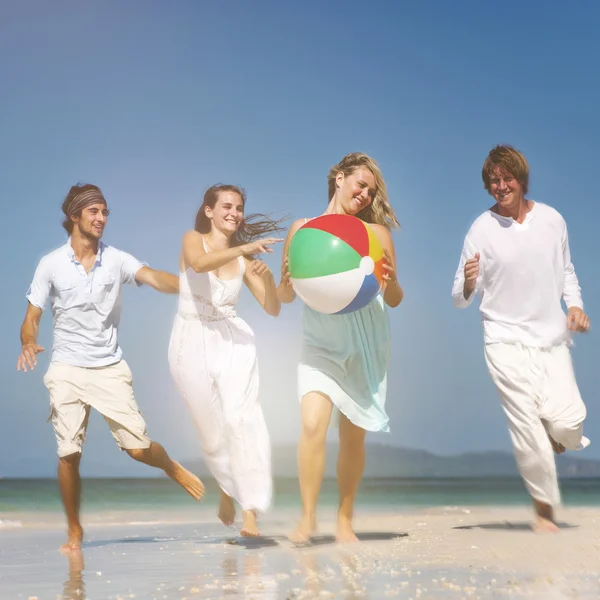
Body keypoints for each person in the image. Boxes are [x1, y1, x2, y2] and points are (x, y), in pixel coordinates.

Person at [16, 184, 205, 552]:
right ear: (74, 216)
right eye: (94, 212)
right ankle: (74, 531)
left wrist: (186, 286)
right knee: (68, 453)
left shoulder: (116, 259)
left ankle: (169, 465)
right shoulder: (50, 264)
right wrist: (27, 341)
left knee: (136, 449)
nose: (101, 218)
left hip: (108, 367)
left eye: (105, 212)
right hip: (66, 368)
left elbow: (152, 277)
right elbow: (32, 316)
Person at [452, 145, 591, 533]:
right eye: (493, 181)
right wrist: (467, 281)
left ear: (521, 179)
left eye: (506, 178)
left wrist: (575, 307)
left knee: (569, 423)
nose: (500, 186)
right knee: (525, 425)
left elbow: (566, 271)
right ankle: (544, 512)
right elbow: (459, 298)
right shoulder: (481, 229)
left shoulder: (552, 220)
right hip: (503, 338)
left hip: (551, 338)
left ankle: (555, 431)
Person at [278, 152, 404, 543]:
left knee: (352, 436)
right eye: (360, 184)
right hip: (320, 341)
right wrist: (284, 280)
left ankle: (345, 518)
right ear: (339, 178)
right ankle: (307, 517)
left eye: (371, 190)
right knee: (313, 425)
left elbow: (396, 298)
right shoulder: (303, 229)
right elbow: (285, 297)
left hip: (364, 340)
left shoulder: (377, 235)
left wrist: (391, 279)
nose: (364, 194)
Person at [168, 184, 283, 537]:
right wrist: (245, 247)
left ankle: (251, 510)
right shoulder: (193, 239)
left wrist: (270, 280)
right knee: (211, 432)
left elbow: (273, 308)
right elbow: (200, 264)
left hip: (233, 341)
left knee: (242, 420)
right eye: (227, 206)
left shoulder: (244, 260)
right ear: (209, 211)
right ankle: (227, 487)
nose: (234, 213)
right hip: (190, 339)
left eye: (239, 208)